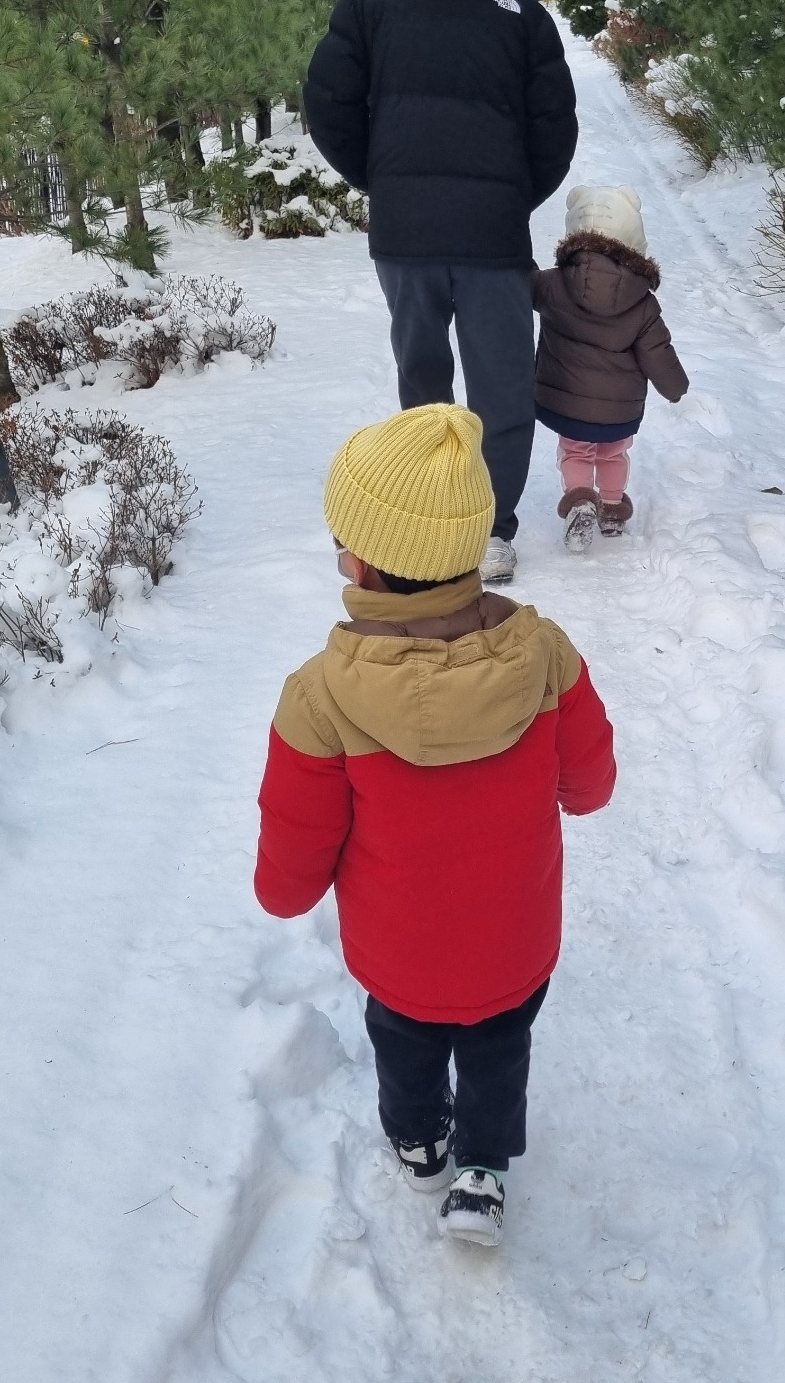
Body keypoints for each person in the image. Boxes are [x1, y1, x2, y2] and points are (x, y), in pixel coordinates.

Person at [254, 404, 615, 1247]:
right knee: (498, 1048)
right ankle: (484, 1171)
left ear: (370, 566)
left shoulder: (319, 697)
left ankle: (420, 1144)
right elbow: (591, 781)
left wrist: (282, 892)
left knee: (404, 1042)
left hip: (398, 953)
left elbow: (295, 845)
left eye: (342, 539)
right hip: (514, 944)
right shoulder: (546, 657)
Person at [303, 0, 579, 585]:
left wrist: (384, 182)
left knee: (421, 373)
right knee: (501, 385)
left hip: (404, 236)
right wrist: (513, 194)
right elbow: (555, 129)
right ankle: (489, 532)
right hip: (493, 236)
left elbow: (328, 103)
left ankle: (427, 525)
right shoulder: (521, 13)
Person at [533, 186, 689, 550]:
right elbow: (658, 352)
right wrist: (676, 388)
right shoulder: (642, 301)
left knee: (576, 452)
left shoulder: (552, 285)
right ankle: (613, 509)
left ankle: (580, 502)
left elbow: (518, 288)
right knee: (613, 453)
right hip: (620, 409)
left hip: (567, 404)